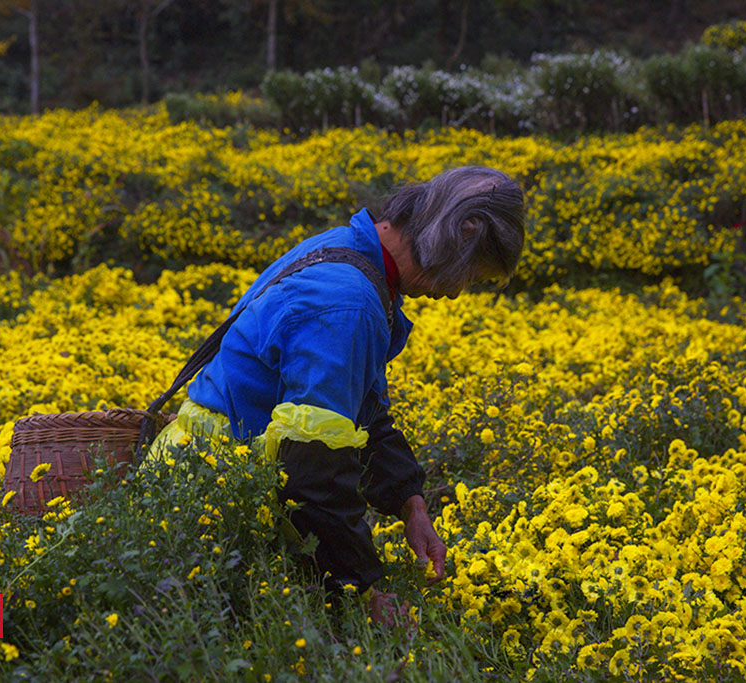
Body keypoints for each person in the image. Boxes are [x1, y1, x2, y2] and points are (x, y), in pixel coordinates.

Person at [149, 166, 525, 624]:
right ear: (457, 237)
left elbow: (357, 414)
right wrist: (361, 591)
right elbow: (312, 469)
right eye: (470, 274)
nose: (456, 293)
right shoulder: (347, 302)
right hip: (204, 505)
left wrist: (411, 505)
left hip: (211, 484)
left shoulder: (350, 251)